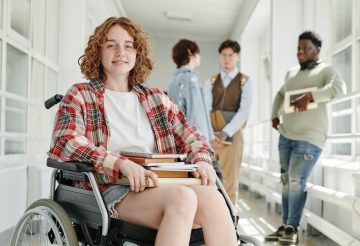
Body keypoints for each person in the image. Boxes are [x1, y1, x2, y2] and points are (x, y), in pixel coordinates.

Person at [48, 17, 237, 246]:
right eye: (111, 45)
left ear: (137, 53)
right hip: (109, 189)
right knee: (183, 197)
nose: (120, 52)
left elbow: (192, 135)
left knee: (213, 198)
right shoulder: (80, 95)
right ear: (99, 51)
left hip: (160, 185)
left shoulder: (154, 98)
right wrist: (120, 164)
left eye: (128, 46)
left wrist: (203, 160)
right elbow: (65, 142)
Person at [265, 31, 346, 244]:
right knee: (285, 181)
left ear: (317, 50)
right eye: (298, 48)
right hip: (286, 136)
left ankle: (292, 228)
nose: (300, 51)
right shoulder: (291, 73)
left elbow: (338, 88)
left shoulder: (326, 70)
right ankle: (284, 227)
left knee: (295, 180)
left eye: (305, 48)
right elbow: (281, 95)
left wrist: (311, 96)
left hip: (310, 139)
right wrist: (274, 115)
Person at [203, 40, 253, 205]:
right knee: (206, 179)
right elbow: (205, 108)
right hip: (211, 136)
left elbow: (244, 111)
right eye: (224, 55)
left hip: (232, 137)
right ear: (219, 56)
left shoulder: (245, 81)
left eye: (231, 55)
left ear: (237, 57)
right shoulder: (211, 81)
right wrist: (210, 133)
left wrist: (226, 132)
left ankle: (231, 224)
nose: (227, 59)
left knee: (230, 182)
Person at [168, 39, 214, 141]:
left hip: (179, 136)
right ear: (189, 52)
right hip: (194, 140)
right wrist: (202, 140)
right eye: (198, 53)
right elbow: (196, 112)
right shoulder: (190, 78)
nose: (200, 57)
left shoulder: (175, 78)